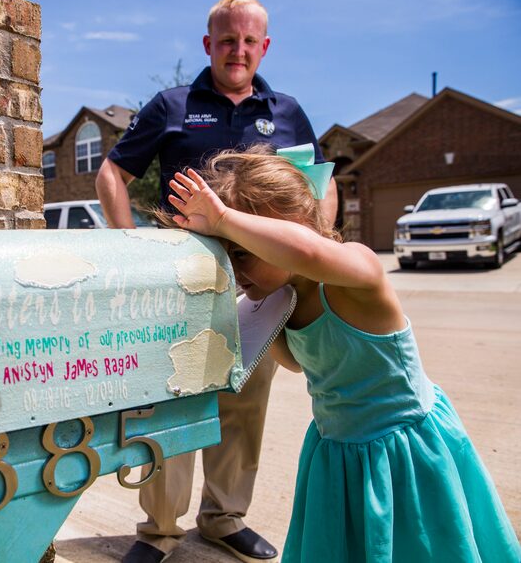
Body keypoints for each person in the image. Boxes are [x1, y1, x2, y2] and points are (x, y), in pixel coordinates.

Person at [161, 143, 521, 563]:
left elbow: (309, 253)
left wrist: (224, 218)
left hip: (403, 451)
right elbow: (297, 363)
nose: (235, 271)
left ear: (296, 226)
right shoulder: (282, 298)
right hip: (338, 450)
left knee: (420, 547)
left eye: (241, 252)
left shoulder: (356, 274)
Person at [96, 0, 336, 562]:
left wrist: (315, 254)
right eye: (228, 40)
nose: (239, 50)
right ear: (209, 44)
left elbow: (317, 189)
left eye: (250, 41)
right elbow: (112, 171)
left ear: (265, 46)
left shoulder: (289, 112)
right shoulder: (172, 104)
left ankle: (225, 518)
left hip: (263, 286)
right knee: (173, 402)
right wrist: (130, 245)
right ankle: (158, 530)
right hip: (181, 282)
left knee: (244, 404)